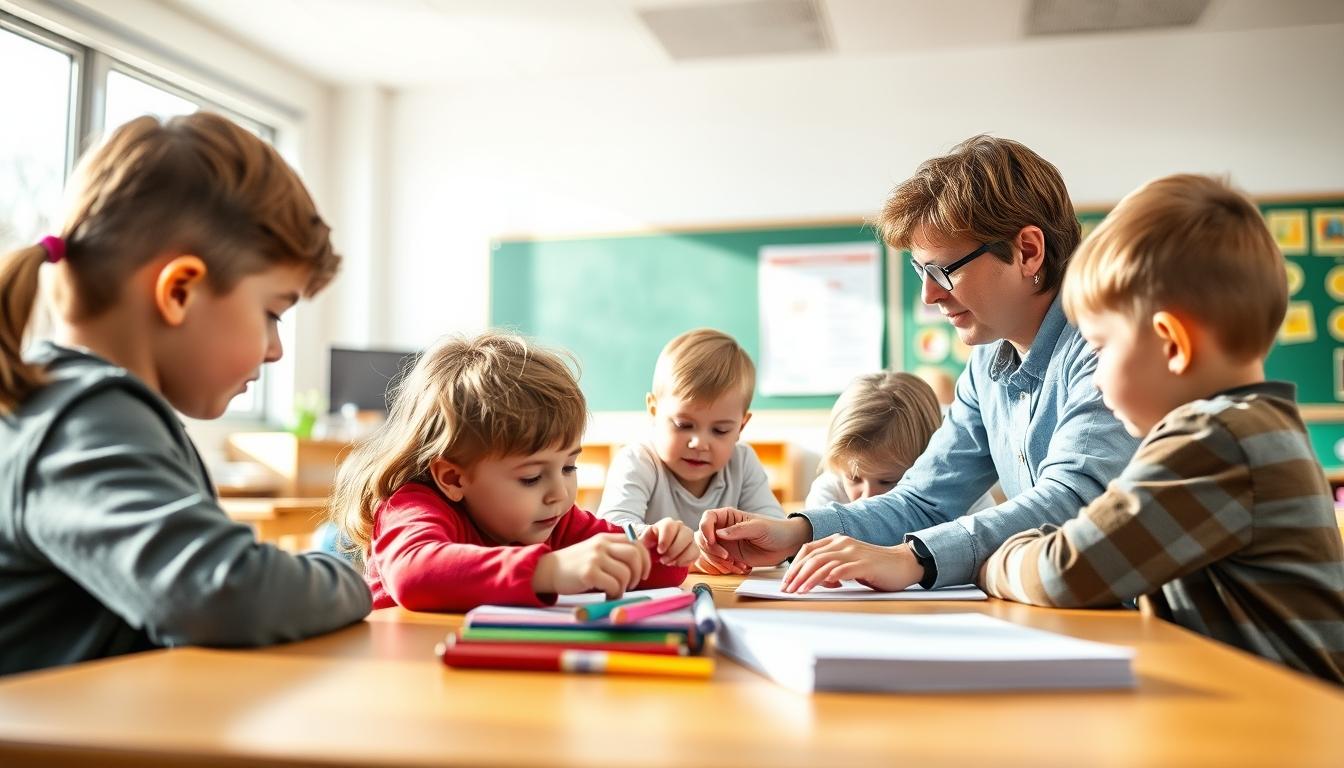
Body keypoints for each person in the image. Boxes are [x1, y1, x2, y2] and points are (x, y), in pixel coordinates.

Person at [0, 113, 371, 676]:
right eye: (272, 314)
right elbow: (222, 592)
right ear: (180, 290)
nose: (275, 351)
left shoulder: (76, 405)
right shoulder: (80, 414)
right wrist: (347, 567)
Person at [696, 135, 1139, 592]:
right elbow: (925, 499)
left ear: (1027, 251)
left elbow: (1075, 502)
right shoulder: (987, 361)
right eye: (920, 272)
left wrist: (912, 559)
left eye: (944, 270)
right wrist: (795, 533)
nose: (929, 295)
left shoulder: (1101, 345)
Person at [979, 174, 1344, 684]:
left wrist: (994, 561)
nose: (1096, 374)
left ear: (1171, 344)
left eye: (1101, 347)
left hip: (1283, 724)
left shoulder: (1212, 439)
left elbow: (1069, 571)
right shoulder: (1250, 427)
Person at [332, 331, 696, 612]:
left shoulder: (556, 520)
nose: (560, 493)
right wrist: (548, 571)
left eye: (569, 466)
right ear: (453, 478)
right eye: (531, 477)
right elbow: (414, 574)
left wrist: (659, 553)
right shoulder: (414, 506)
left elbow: (641, 574)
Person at [598, 329, 782, 573]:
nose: (699, 443)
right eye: (684, 425)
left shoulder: (743, 461)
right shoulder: (637, 460)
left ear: (741, 426)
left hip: (727, 594)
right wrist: (684, 554)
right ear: (653, 411)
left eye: (720, 430)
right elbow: (611, 531)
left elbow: (778, 534)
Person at [804, 371, 942, 507]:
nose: (867, 499)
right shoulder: (829, 493)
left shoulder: (940, 496)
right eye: (854, 478)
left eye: (887, 481)